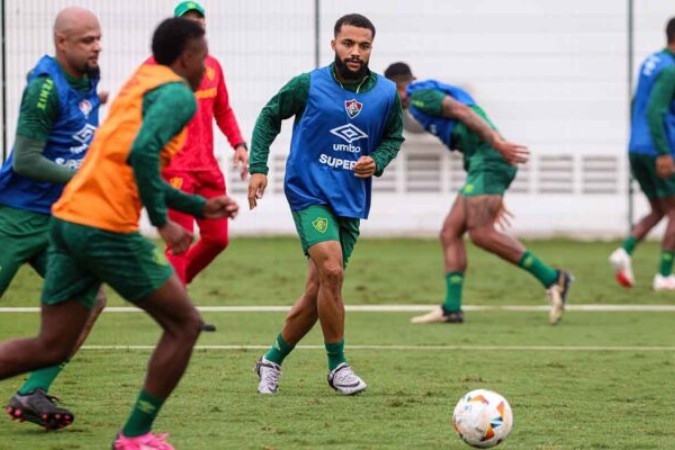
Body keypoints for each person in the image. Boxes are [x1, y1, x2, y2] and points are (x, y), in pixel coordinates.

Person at [0, 17, 239, 449]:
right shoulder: (178, 97)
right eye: (203, 58)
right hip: (104, 227)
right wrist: (163, 220)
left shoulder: (142, 80)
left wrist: (198, 206)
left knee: (50, 345)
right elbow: (144, 152)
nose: (207, 69)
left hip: (68, 220)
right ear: (186, 58)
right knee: (185, 324)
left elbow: (129, 161)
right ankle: (134, 435)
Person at [248, 13, 403, 396]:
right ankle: (338, 367)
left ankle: (271, 359)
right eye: (348, 43)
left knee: (319, 290)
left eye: (364, 45)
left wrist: (377, 160)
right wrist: (258, 167)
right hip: (308, 193)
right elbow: (270, 116)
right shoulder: (309, 84)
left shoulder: (385, 93)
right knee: (332, 270)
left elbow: (393, 137)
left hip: (349, 200)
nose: (356, 52)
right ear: (334, 43)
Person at [384, 62, 572, 325]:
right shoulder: (419, 97)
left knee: (481, 233)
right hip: (481, 164)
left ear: (395, 86)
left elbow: (462, 111)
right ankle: (451, 308)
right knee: (450, 231)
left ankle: (554, 279)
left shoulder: (418, 95)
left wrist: (496, 143)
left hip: (489, 158)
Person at [0, 6, 107, 430]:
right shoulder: (45, 88)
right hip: (15, 219)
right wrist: (81, 177)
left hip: (57, 219)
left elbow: (77, 123)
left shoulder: (88, 75)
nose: (96, 46)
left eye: (98, 38)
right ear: (61, 42)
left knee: (90, 300)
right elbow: (25, 160)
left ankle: (32, 392)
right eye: (86, 40)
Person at [144, 1, 248, 286]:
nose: (196, 25)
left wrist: (239, 144)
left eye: (199, 21)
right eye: (189, 21)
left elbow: (223, 110)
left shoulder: (212, 66)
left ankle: (170, 292)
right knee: (180, 242)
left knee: (218, 238)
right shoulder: (155, 67)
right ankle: (179, 313)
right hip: (174, 167)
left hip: (206, 167)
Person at [609, 17, 675, 291]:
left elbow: (638, 103)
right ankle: (665, 276)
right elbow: (654, 110)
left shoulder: (651, 62)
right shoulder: (671, 70)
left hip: (637, 146)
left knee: (659, 209)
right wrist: (663, 152)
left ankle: (624, 251)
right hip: (656, 149)